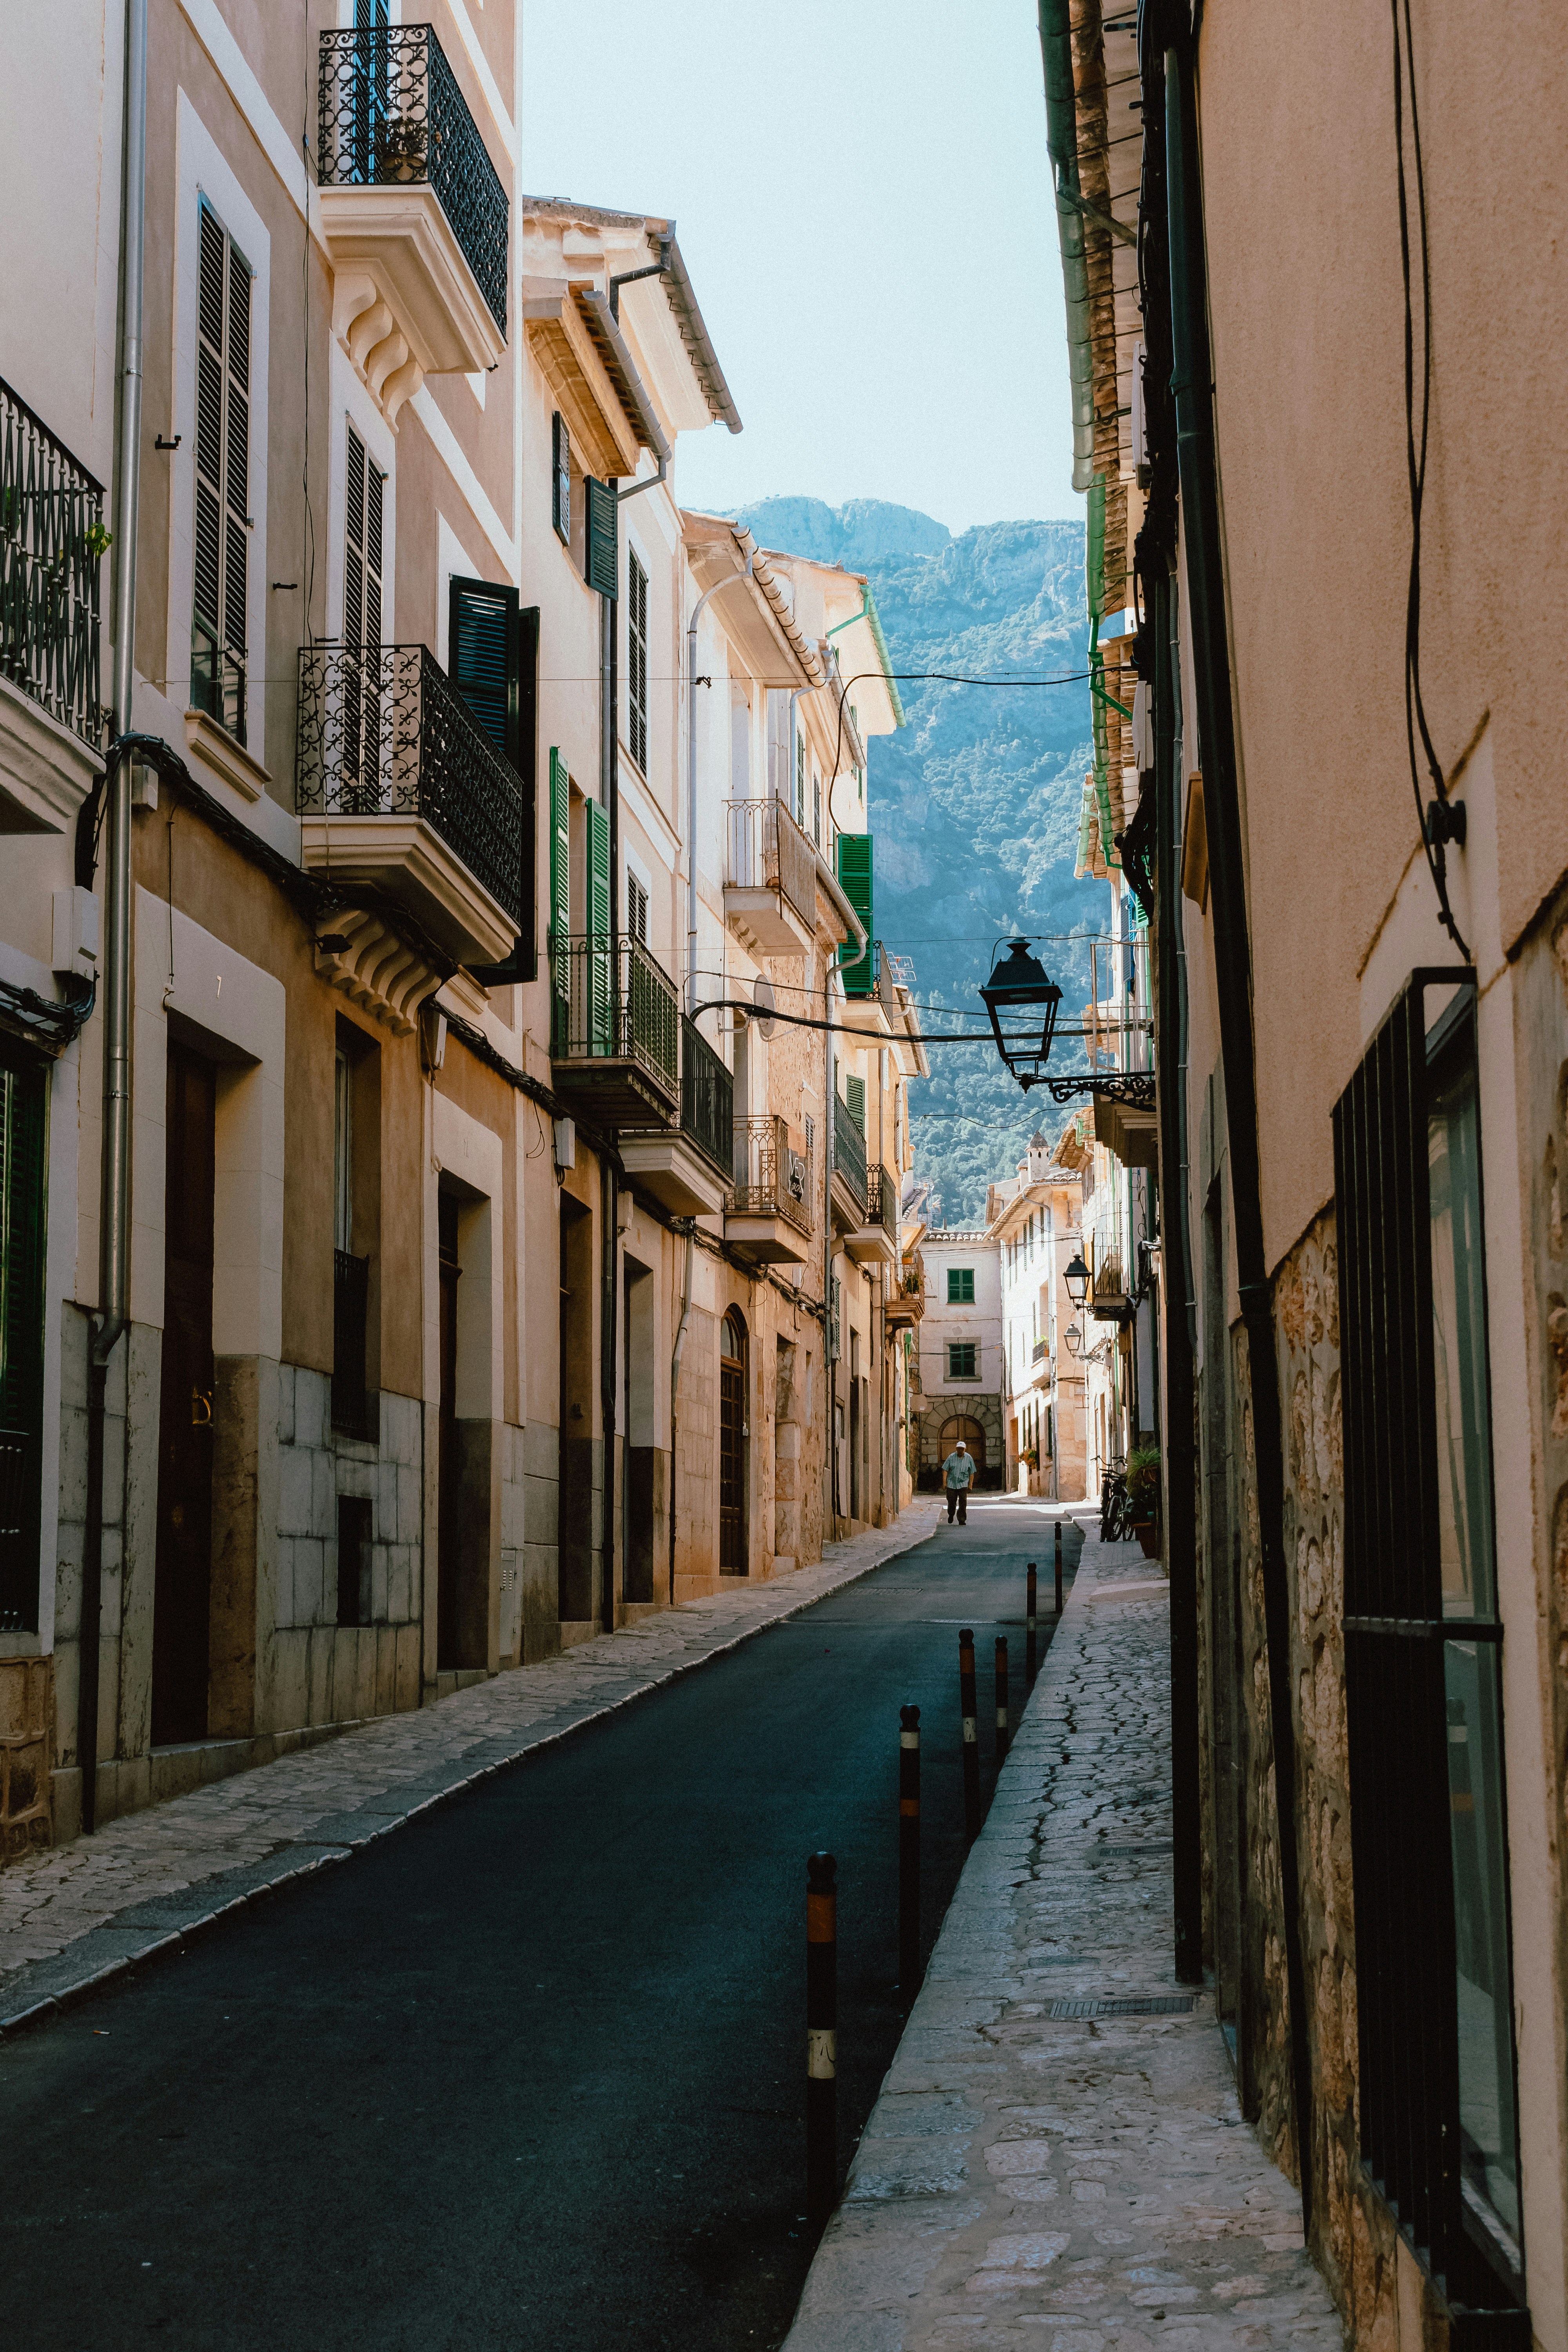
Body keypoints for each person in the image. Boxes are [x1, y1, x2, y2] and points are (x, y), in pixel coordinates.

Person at [942, 1438, 976, 1524]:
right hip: (952, 1483)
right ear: (956, 1449)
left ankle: (962, 1519)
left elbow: (972, 1472)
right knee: (951, 1501)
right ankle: (951, 1514)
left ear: (965, 1449)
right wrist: (944, 1483)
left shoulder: (969, 1458)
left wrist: (970, 1485)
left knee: (963, 1502)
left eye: (962, 1449)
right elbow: (946, 1470)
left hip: (963, 1483)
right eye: (959, 1449)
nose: (960, 1450)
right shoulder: (951, 1457)